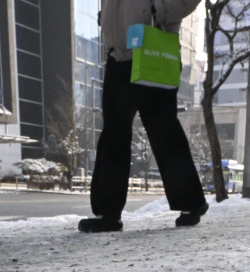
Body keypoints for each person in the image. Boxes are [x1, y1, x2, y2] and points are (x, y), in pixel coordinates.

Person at [79, 0, 207, 233]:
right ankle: (108, 214)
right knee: (112, 136)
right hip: (118, 57)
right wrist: (107, 18)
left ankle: (191, 203)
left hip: (152, 50)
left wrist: (157, 8)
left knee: (163, 132)